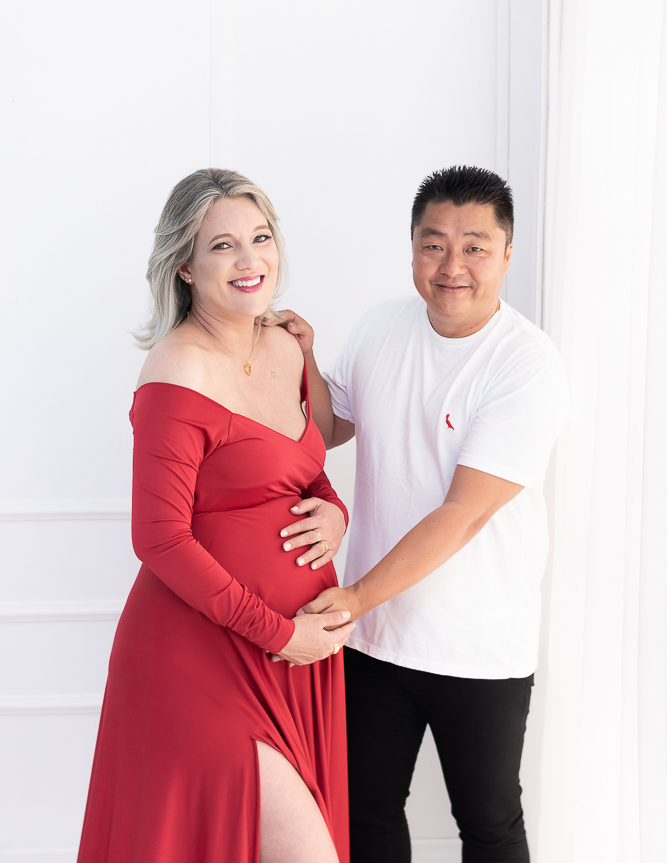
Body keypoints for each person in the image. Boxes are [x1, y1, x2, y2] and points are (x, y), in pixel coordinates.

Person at [274, 167, 569, 863]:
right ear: (411, 250)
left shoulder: (525, 365)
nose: (452, 265)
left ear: (505, 254)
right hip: (376, 640)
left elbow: (462, 513)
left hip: (477, 643)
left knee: (488, 823)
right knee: (365, 811)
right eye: (433, 244)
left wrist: (351, 598)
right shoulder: (382, 326)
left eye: (474, 246)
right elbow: (328, 425)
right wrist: (302, 358)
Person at [77, 169, 355, 863]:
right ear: (184, 266)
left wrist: (338, 513)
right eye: (222, 245)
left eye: (259, 238)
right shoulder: (176, 370)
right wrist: (280, 633)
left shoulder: (286, 344)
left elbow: (303, 468)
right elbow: (159, 538)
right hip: (201, 657)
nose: (248, 259)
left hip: (294, 656)